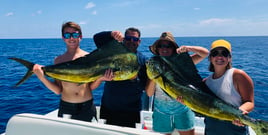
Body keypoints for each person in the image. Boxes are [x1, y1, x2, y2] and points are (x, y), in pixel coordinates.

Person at [32, 21, 112, 122]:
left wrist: (100, 79)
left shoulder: (89, 57)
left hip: (87, 106)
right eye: (67, 35)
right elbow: (58, 90)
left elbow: (90, 87)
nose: (71, 38)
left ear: (80, 36)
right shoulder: (59, 60)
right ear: (63, 38)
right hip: (67, 107)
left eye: (74, 34)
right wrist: (41, 77)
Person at [146, 32, 209, 135]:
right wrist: (155, 75)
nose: (164, 48)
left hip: (183, 109)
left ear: (173, 48)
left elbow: (205, 53)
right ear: (157, 49)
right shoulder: (153, 66)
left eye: (168, 46)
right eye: (161, 46)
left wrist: (188, 48)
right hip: (161, 112)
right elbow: (149, 94)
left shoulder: (183, 64)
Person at [93, 27, 148, 128]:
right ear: (123, 39)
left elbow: (144, 86)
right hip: (108, 108)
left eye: (135, 39)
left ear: (139, 42)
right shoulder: (113, 52)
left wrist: (134, 79)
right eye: (128, 38)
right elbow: (97, 38)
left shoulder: (143, 60)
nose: (131, 41)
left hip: (132, 111)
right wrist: (111, 34)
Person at [204, 39, 254, 135]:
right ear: (210, 58)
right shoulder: (206, 82)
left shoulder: (238, 75)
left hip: (234, 127)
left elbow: (249, 102)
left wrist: (240, 112)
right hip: (211, 128)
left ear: (229, 58)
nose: (220, 56)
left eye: (224, 53)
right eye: (215, 53)